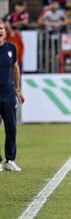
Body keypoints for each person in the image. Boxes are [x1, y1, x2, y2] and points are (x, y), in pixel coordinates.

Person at [0, 21, 25, 172]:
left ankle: (10, 160)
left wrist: (17, 89)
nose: (0, 31)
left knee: (11, 128)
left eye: (1, 28)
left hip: (8, 93)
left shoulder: (11, 48)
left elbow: (15, 68)